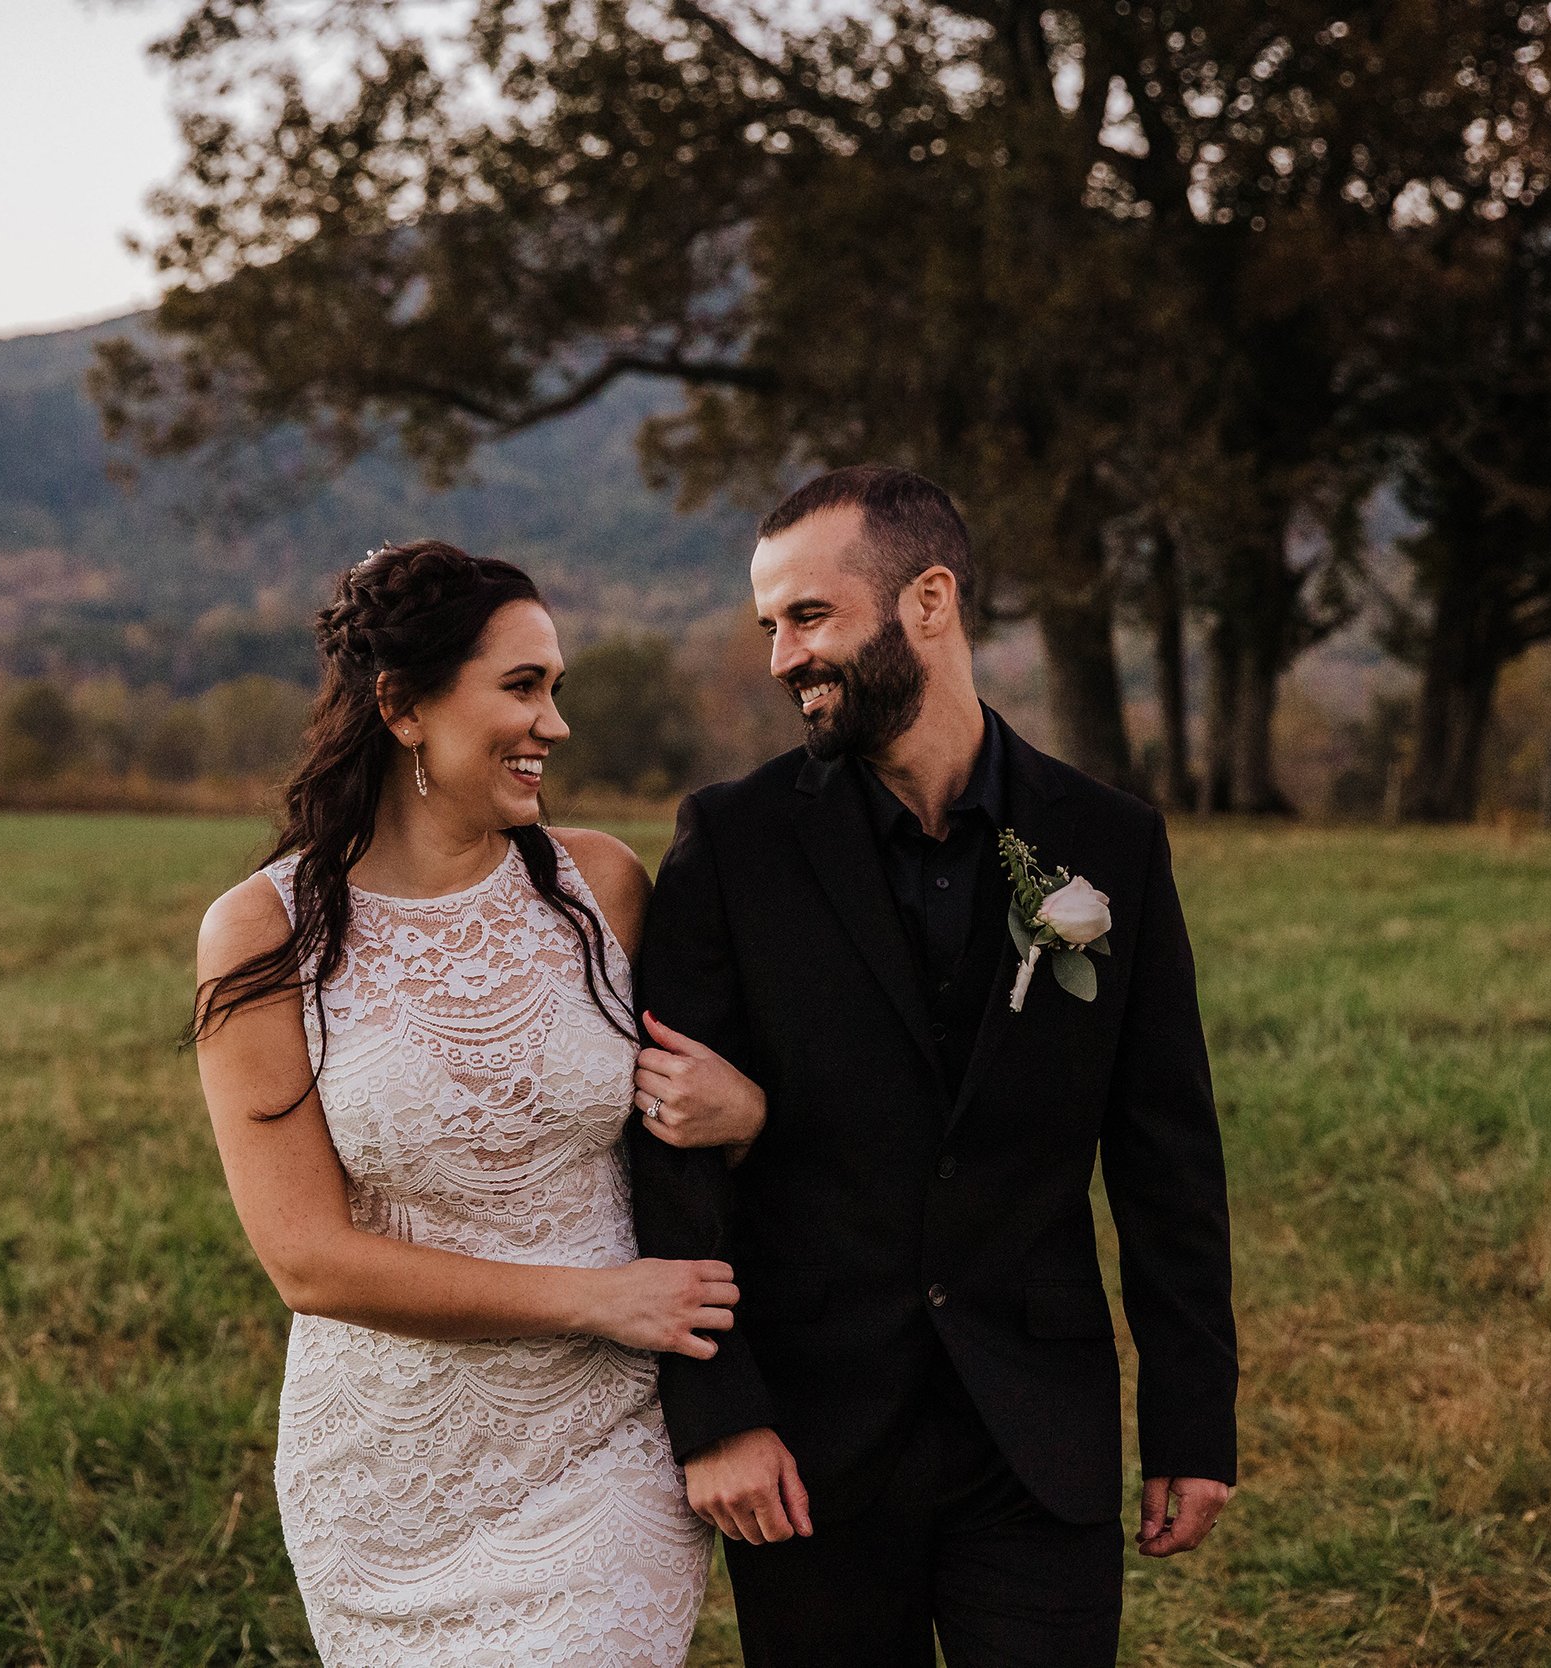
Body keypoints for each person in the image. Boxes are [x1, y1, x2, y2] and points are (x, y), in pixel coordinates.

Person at [630, 466, 1240, 1668]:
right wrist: (719, 1417)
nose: (780, 658)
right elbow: (669, 1154)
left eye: (809, 618)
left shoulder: (1108, 843)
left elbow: (1167, 1153)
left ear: (929, 600)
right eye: (768, 626)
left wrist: (1191, 1418)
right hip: (810, 1438)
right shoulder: (732, 844)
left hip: (1037, 1427)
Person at [190, 540, 766, 1667]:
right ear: (403, 707)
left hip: (605, 1443)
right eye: (522, 687)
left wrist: (747, 1112)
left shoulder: (601, 888)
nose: (553, 723)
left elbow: (695, 1128)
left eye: (555, 688)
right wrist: (596, 1298)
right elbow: (307, 1260)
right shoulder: (264, 937)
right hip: (386, 1478)